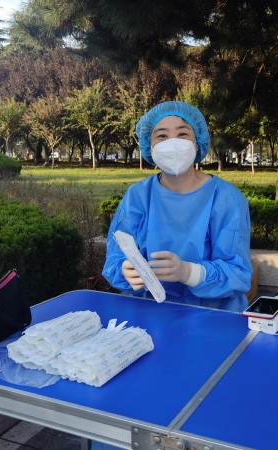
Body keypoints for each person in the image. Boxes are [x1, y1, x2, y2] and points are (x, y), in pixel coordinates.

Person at [102, 101, 253, 313]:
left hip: (214, 317)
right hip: (153, 314)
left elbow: (238, 273)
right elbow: (116, 257)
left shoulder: (226, 198)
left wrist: (188, 273)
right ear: (150, 147)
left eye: (182, 134)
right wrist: (125, 271)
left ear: (197, 143)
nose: (172, 143)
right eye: (162, 136)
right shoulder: (138, 196)